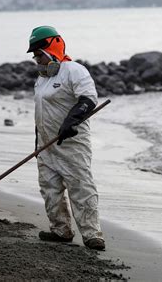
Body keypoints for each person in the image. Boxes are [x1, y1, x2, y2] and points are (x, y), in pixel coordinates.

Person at [27, 25, 105, 251]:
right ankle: (61, 231)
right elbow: (39, 113)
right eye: (35, 56)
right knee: (50, 189)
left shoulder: (74, 70)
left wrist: (72, 121)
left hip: (72, 143)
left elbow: (88, 99)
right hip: (46, 145)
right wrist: (37, 145)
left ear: (52, 48)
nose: (36, 59)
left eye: (39, 54)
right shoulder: (42, 79)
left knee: (81, 187)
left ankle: (92, 235)